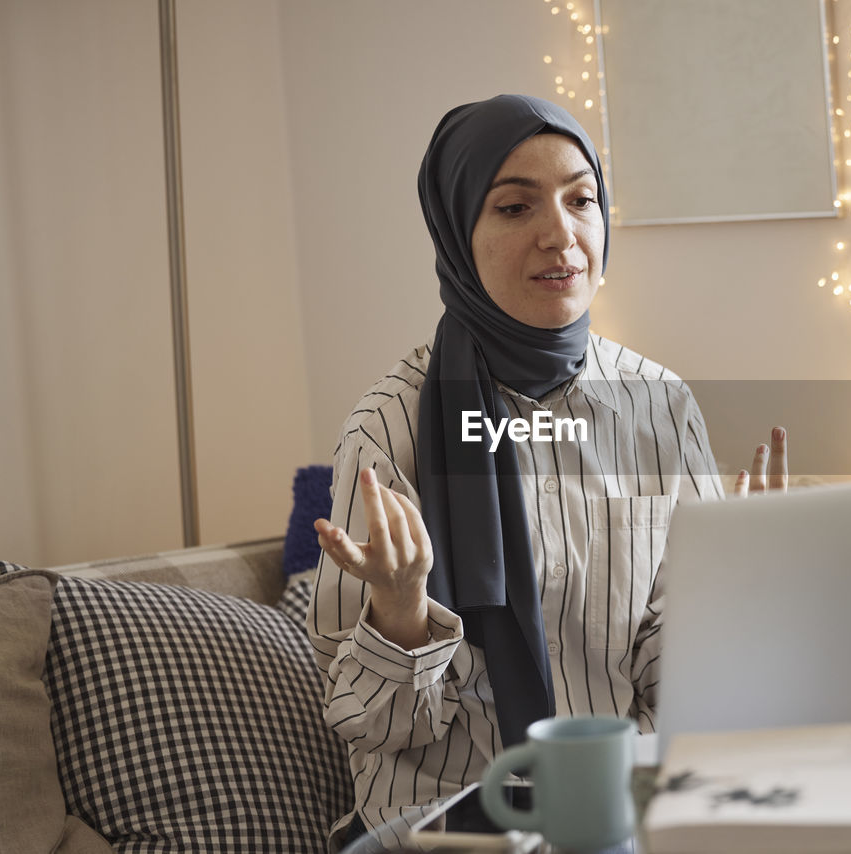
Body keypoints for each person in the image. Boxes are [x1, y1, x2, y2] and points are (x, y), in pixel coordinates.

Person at [306, 94, 787, 845]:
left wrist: (739, 590)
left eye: (581, 200)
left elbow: (681, 676)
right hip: (448, 824)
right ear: (457, 233)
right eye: (514, 208)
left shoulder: (659, 407)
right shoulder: (389, 428)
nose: (560, 235)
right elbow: (370, 727)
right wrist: (400, 616)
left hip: (621, 809)